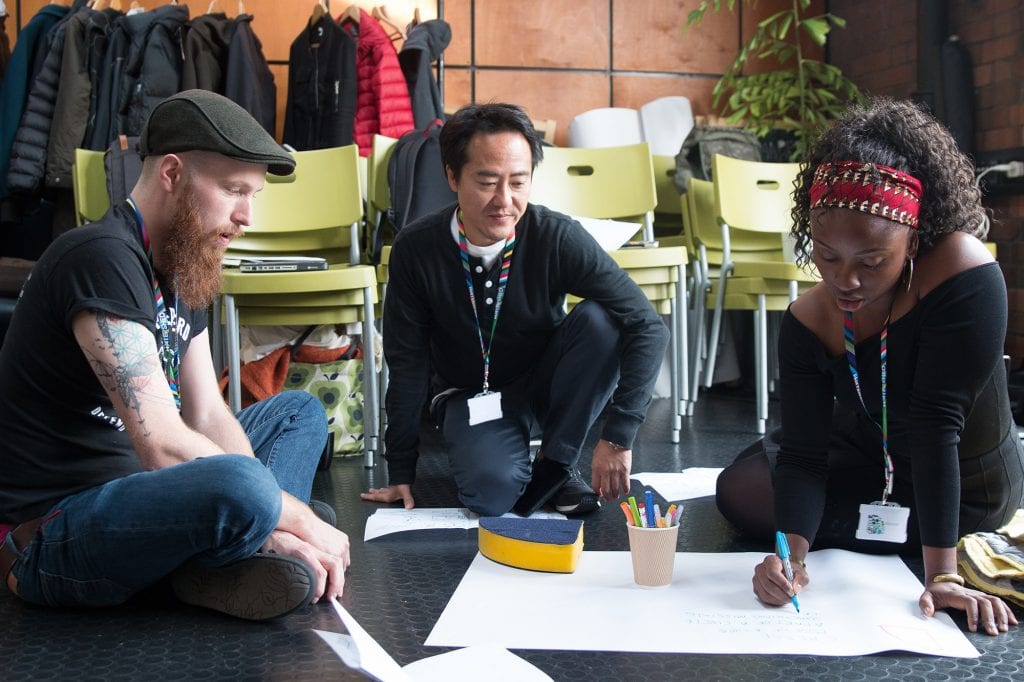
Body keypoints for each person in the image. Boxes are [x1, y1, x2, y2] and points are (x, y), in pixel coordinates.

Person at [0, 90, 350, 621]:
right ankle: (239, 548)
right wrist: (295, 516)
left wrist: (272, 513)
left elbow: (207, 413)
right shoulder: (99, 255)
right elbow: (162, 444)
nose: (246, 215)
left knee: (296, 413)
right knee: (247, 485)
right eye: (233, 190)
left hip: (145, 492)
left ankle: (229, 550)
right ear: (171, 173)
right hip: (57, 531)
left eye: (252, 194)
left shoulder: (184, 265)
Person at [715, 97, 1024, 636]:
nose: (845, 282)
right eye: (827, 256)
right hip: (870, 449)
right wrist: (792, 559)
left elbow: (936, 428)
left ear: (916, 235)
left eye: (872, 262)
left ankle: (926, 543)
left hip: (963, 474)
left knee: (784, 487)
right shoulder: (808, 319)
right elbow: (807, 455)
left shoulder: (964, 274)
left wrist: (945, 577)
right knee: (741, 487)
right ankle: (863, 531)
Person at [362, 103, 669, 517]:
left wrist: (619, 435)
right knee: (491, 497)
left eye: (518, 183)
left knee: (605, 319)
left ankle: (556, 464)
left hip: (546, 385)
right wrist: (400, 467)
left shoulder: (555, 236)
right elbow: (407, 361)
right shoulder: (417, 249)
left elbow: (647, 325)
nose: (504, 201)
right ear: (453, 176)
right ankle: (513, 461)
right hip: (470, 393)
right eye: (487, 182)